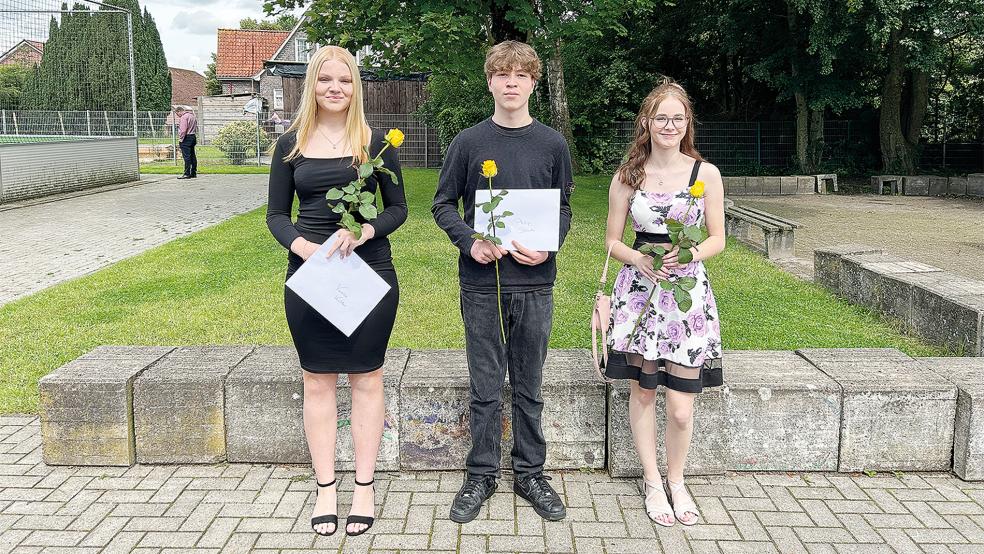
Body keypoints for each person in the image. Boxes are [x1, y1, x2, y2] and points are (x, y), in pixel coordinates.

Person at [265, 45, 407, 538]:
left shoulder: (374, 143)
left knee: (367, 378)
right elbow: (276, 216)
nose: (334, 88)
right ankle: (326, 486)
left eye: (344, 81)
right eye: (325, 79)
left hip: (368, 275)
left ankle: (364, 486)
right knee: (317, 380)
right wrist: (303, 247)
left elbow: (398, 210)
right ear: (311, 84)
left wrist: (364, 232)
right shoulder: (290, 144)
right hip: (310, 277)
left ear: (355, 87)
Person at [432, 40, 574, 524]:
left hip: (535, 282)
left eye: (521, 75)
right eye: (502, 74)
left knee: (529, 383)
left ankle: (531, 471)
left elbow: (564, 207)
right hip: (481, 282)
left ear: (535, 83)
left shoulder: (553, 144)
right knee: (486, 384)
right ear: (490, 81)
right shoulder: (468, 143)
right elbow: (443, 204)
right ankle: (482, 472)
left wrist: (550, 243)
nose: (511, 82)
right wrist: (470, 239)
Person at [603, 80, 725, 527]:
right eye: (661, 118)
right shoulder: (627, 176)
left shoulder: (704, 174)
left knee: (680, 405)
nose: (669, 125)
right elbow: (612, 242)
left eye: (677, 118)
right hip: (639, 294)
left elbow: (718, 238)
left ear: (686, 122)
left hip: (686, 299)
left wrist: (688, 254)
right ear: (647, 123)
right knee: (643, 390)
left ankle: (678, 479)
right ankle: (653, 481)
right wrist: (638, 257)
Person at [174, 106, 197, 179]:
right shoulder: (192, 116)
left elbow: (183, 130)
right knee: (192, 156)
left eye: (177, 114)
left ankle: (187, 173)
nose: (178, 116)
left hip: (186, 138)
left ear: (179, 111)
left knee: (186, 156)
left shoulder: (184, 117)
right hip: (193, 136)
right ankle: (193, 172)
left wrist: (181, 139)